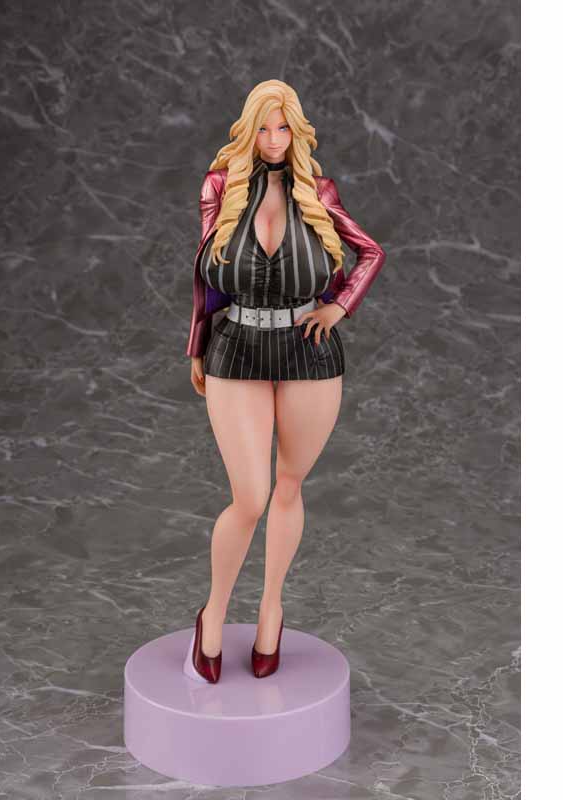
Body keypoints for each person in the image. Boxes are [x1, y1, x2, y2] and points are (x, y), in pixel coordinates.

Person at [183, 79, 385, 683]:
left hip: (308, 350)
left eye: (283, 128)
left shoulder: (318, 192)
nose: (274, 140)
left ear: (297, 132)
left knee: (289, 486)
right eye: (264, 128)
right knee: (250, 496)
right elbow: (202, 276)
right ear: (249, 131)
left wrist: (340, 306)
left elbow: (370, 252)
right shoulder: (221, 187)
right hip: (238, 346)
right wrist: (196, 344)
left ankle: (271, 608)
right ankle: (213, 613)